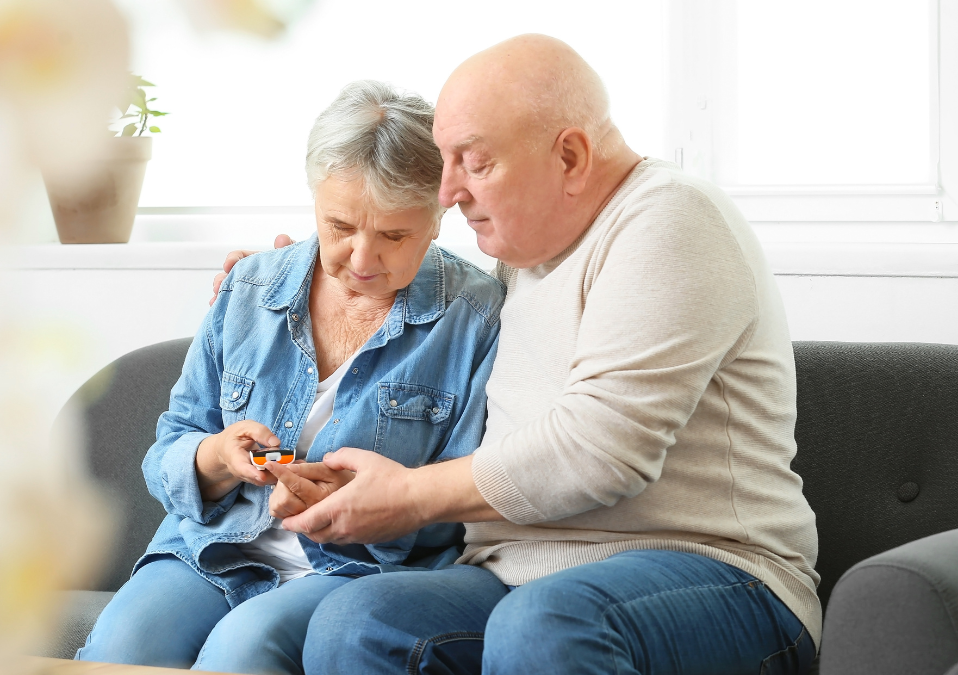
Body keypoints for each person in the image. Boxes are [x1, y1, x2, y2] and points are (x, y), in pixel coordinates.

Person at [221, 34, 820, 675]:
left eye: (473, 163)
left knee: (543, 625)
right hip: (518, 575)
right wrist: (299, 276)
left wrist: (411, 496)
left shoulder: (670, 220)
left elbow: (599, 451)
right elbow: (412, 291)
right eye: (445, 163)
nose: (448, 193)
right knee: (357, 620)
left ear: (570, 156)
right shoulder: (522, 261)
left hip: (715, 574)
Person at [78, 80, 504, 674]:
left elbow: (468, 500)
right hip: (214, 548)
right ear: (313, 200)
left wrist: (365, 506)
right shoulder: (251, 287)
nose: (360, 259)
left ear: (438, 215)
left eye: (394, 235)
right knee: (124, 642)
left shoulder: (476, 317)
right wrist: (216, 458)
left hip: (358, 568)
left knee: (244, 648)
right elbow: (171, 442)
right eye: (340, 226)